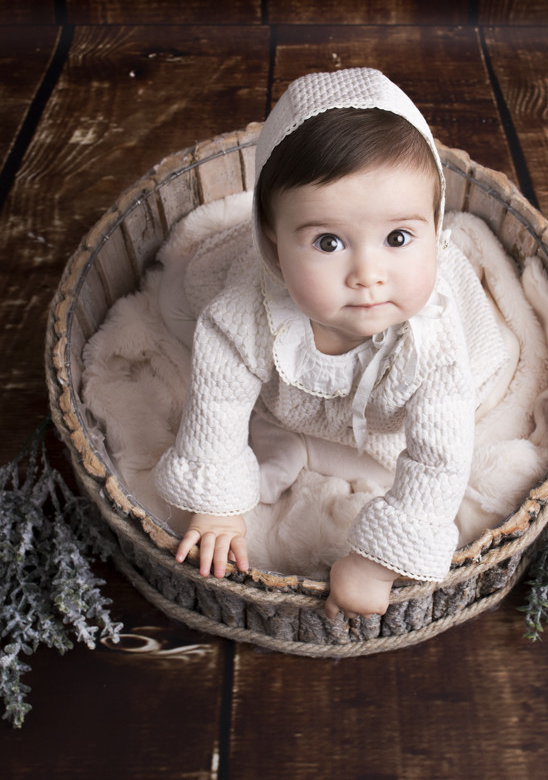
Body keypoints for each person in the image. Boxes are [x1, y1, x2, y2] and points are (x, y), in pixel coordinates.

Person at [153, 67, 508, 619]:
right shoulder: (244, 315)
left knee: (465, 410)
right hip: (290, 403)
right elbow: (214, 407)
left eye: (398, 237)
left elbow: (439, 461)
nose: (368, 273)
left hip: (389, 419)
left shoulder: (434, 342)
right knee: (211, 351)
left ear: (434, 227)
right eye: (328, 241)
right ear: (271, 239)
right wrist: (216, 507)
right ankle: (296, 439)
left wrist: (377, 561)